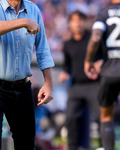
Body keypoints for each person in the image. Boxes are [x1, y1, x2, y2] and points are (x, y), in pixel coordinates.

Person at [0, 0, 55, 149]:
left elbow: (43, 50)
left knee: (26, 144)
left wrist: (49, 84)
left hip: (22, 87)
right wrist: (23, 22)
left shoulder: (34, 10)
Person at [58, 11, 101, 150]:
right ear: (70, 23)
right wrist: (65, 73)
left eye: (80, 20)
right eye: (74, 20)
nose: (78, 23)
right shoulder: (67, 44)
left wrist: (99, 64)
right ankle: (73, 147)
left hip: (94, 85)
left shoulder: (93, 40)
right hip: (76, 86)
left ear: (84, 21)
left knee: (102, 117)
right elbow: (67, 66)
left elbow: (104, 57)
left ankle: (104, 146)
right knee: (70, 117)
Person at [84, 0, 120, 150]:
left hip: (110, 71)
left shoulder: (103, 14)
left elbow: (96, 38)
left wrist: (88, 60)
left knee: (106, 116)